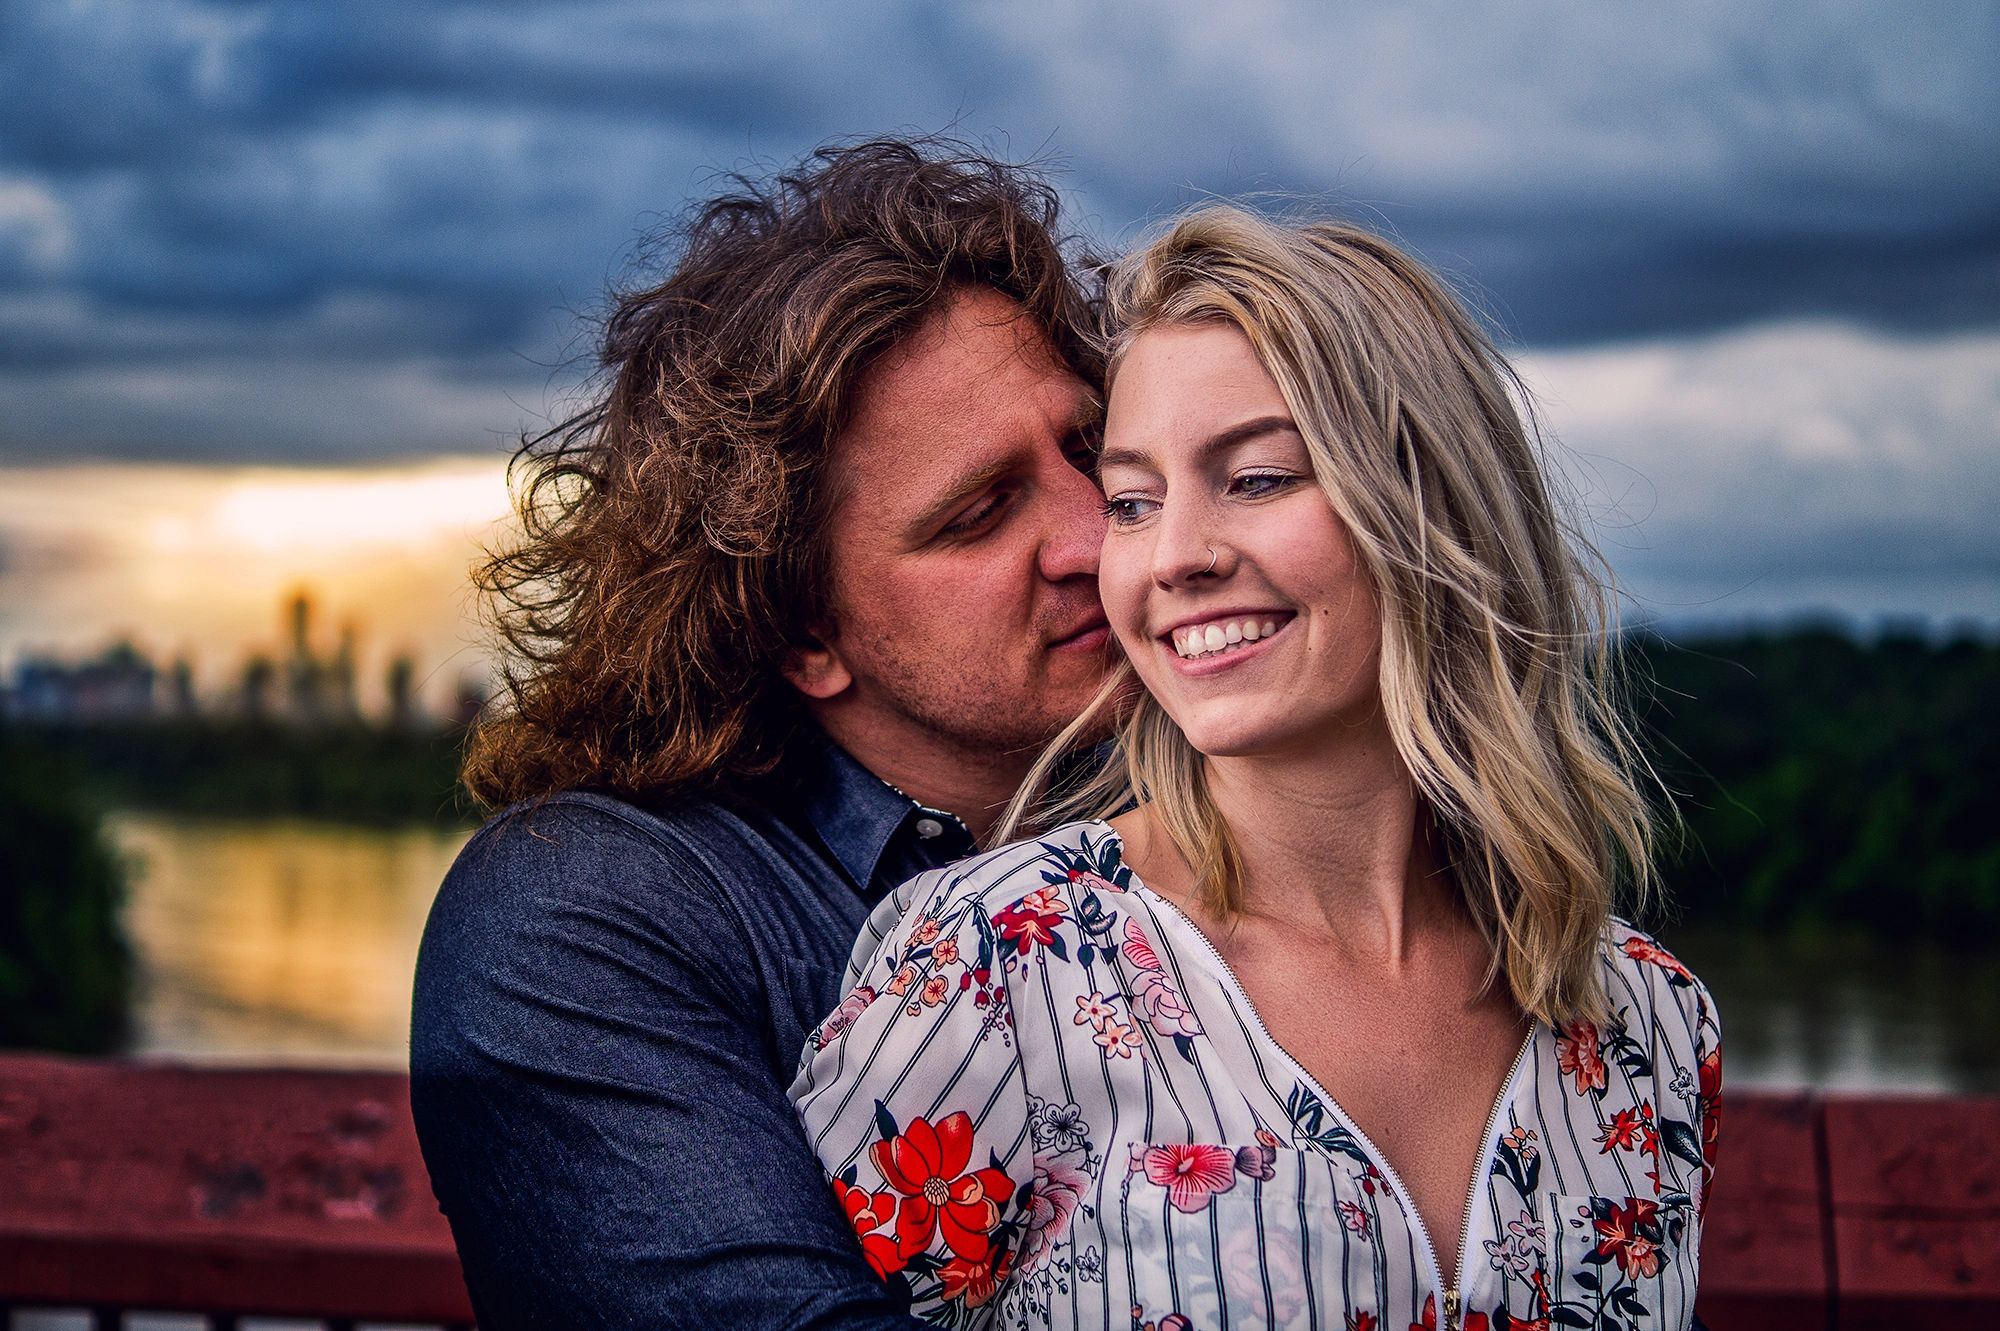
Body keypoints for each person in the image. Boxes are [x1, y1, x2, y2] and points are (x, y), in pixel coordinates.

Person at [792, 207, 1723, 1331]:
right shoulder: (998, 965)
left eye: (1258, 477)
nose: (1173, 554)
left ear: (1430, 507)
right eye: (1134, 499)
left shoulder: (1648, 1024)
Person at [409, 138, 1115, 1328]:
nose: (1095, 535)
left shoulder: (1243, 801)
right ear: (802, 631)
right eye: (981, 512)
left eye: (1092, 452)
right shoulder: (584, 915)